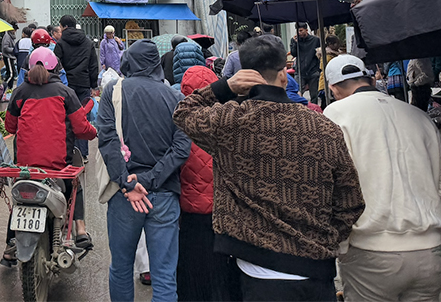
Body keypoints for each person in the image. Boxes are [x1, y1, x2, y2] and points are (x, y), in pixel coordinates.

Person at [173, 34, 365, 301]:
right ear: (284, 75)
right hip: (316, 270)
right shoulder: (323, 127)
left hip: (256, 267)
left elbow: (184, 111)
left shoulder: (230, 122)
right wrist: (325, 239)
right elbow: (351, 201)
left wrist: (226, 87)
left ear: (244, 74)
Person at [323, 54, 441, 302]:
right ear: (370, 81)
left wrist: (339, 246)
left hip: (371, 253)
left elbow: (331, 186)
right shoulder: (417, 116)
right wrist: (440, 232)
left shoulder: (334, 115)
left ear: (333, 89)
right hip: (429, 254)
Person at [97, 39, 191, 302]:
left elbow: (107, 141)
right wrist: (151, 180)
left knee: (121, 268)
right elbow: (181, 148)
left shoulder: (113, 90)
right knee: (164, 275)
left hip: (125, 196)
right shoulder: (175, 97)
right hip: (164, 194)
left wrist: (128, 183)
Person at [2, 47, 97, 265]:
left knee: (21, 195)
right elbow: (81, 128)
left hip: (27, 165)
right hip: (58, 165)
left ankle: (10, 245)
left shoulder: (19, 92)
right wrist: (94, 132)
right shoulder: (65, 93)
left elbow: (10, 126)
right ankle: (81, 231)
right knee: (75, 185)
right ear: (56, 67)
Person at [176, 65, 239, 301]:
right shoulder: (229, 118)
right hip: (223, 211)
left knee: (192, 266)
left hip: (190, 211)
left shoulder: (180, 121)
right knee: (222, 269)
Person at [53, 15, 98, 156]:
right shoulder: (87, 42)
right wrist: (94, 85)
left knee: (66, 119)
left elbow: (56, 66)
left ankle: (68, 152)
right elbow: (93, 66)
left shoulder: (60, 44)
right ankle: (82, 154)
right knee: (82, 119)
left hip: (66, 87)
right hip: (84, 84)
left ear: (63, 26)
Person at [290, 23, 322, 104]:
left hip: (313, 70)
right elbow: (294, 54)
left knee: (314, 95)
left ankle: (314, 110)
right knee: (297, 92)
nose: (299, 33)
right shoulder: (294, 40)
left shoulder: (315, 40)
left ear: (306, 30)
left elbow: (319, 54)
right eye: (297, 31)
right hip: (300, 70)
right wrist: (295, 43)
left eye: (301, 30)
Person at [0, 22, 19, 88]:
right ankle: (3, 87)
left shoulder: (11, 36)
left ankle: (9, 88)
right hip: (8, 57)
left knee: (11, 73)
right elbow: (5, 47)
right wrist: (13, 50)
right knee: (11, 74)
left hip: (11, 57)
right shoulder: (7, 36)